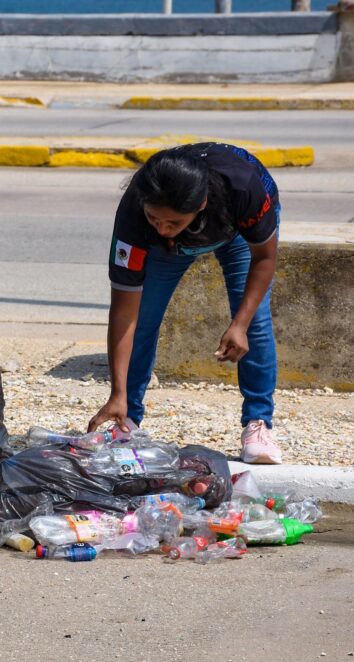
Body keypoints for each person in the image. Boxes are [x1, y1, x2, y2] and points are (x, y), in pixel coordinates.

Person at [88, 142, 283, 464]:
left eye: (173, 222)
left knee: (254, 323)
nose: (163, 228)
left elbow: (264, 257)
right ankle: (127, 419)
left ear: (201, 204)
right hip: (170, 252)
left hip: (236, 231)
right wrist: (117, 394)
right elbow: (125, 313)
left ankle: (258, 423)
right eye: (154, 218)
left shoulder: (244, 187)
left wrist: (240, 323)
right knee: (144, 319)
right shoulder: (135, 213)